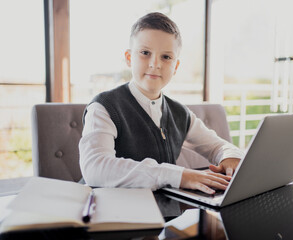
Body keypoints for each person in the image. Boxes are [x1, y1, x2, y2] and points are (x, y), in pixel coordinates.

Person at [79, 12, 244, 194]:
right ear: (128, 58)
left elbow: (219, 146)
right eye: (145, 53)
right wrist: (179, 175)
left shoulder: (180, 113)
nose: (155, 64)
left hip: (166, 214)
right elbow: (94, 167)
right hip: (111, 214)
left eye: (166, 57)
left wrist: (231, 156)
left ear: (176, 67)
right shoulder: (104, 107)